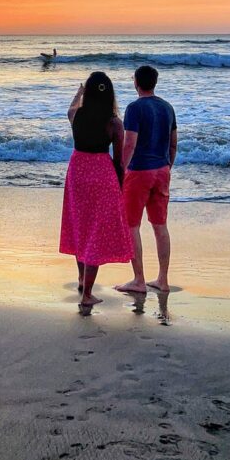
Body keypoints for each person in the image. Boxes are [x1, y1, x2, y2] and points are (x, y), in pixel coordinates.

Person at [60, 72, 133, 307]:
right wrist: (120, 186)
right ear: (110, 94)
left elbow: (69, 109)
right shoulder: (114, 123)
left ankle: (82, 279)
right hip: (101, 175)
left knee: (80, 226)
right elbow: (119, 161)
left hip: (77, 172)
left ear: (87, 93)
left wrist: (78, 93)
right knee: (96, 233)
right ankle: (87, 293)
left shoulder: (76, 115)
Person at [115, 65, 177, 294]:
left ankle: (139, 280)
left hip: (139, 171)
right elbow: (173, 143)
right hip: (162, 170)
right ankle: (163, 279)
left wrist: (121, 169)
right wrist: (168, 165)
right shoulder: (168, 107)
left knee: (132, 225)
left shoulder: (134, 108)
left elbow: (130, 142)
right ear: (155, 82)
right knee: (160, 226)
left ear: (136, 83)